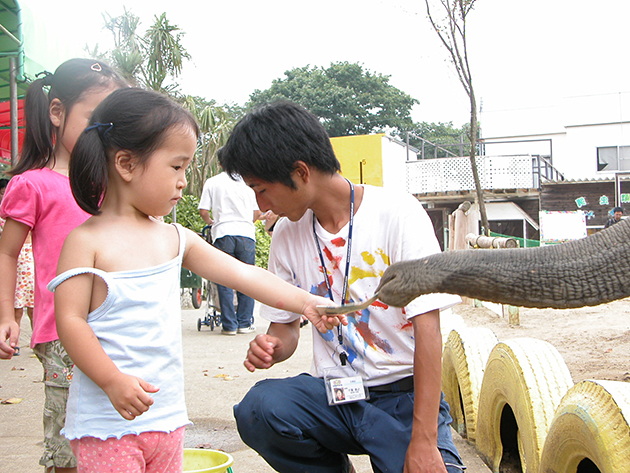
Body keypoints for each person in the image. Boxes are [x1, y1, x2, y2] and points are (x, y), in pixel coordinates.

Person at [48, 88, 342, 472]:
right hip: (107, 424)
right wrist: (111, 380)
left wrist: (306, 302)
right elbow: (70, 323)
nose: (184, 181)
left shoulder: (175, 238)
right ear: (126, 163)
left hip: (167, 419)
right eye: (176, 167)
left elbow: (243, 273)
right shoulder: (85, 242)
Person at [220, 100, 465, 473]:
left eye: (262, 189)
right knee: (260, 409)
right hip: (334, 397)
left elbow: (428, 331)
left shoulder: (398, 214)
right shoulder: (286, 233)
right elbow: (284, 330)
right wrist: (272, 347)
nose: (260, 204)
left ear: (300, 172)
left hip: (402, 398)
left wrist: (424, 441)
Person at [0, 58, 127, 473]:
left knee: (111, 430)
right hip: (61, 330)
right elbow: (7, 251)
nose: (104, 132)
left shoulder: (111, 183)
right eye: (95, 118)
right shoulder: (32, 183)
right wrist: (7, 314)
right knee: (68, 435)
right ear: (57, 112)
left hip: (117, 325)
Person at [198, 168, 261, 335]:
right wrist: (246, 222)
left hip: (223, 233)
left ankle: (229, 325)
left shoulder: (212, 182)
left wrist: (212, 222)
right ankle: (244, 323)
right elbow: (257, 212)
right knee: (247, 279)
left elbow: (203, 211)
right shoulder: (249, 182)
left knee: (224, 280)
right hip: (246, 234)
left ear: (220, 163)